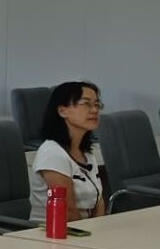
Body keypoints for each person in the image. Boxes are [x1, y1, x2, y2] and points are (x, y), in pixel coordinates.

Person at [31, 80, 107, 220]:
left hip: (84, 227)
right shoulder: (52, 153)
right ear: (62, 111)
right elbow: (68, 212)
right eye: (86, 104)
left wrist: (99, 225)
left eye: (97, 104)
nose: (94, 110)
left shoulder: (87, 153)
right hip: (52, 229)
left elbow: (99, 201)